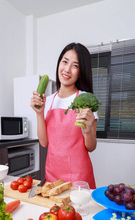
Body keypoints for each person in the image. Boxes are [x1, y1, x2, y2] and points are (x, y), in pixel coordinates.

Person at [30, 42, 98, 189]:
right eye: (65, 62)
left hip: (79, 178)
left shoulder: (85, 100)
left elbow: (91, 147)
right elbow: (44, 143)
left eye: (75, 66)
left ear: (81, 72)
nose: (67, 69)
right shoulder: (48, 100)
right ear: (59, 63)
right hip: (53, 176)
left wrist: (87, 131)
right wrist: (39, 113)